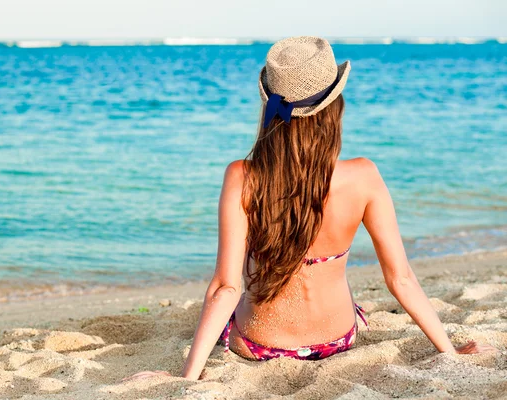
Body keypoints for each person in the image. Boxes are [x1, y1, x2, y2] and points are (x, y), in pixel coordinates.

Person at [125, 36, 496, 382]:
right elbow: (401, 279)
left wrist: (186, 378)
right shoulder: (364, 176)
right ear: (333, 107)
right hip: (337, 341)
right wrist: (450, 351)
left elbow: (224, 287)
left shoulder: (243, 176)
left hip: (258, 346)